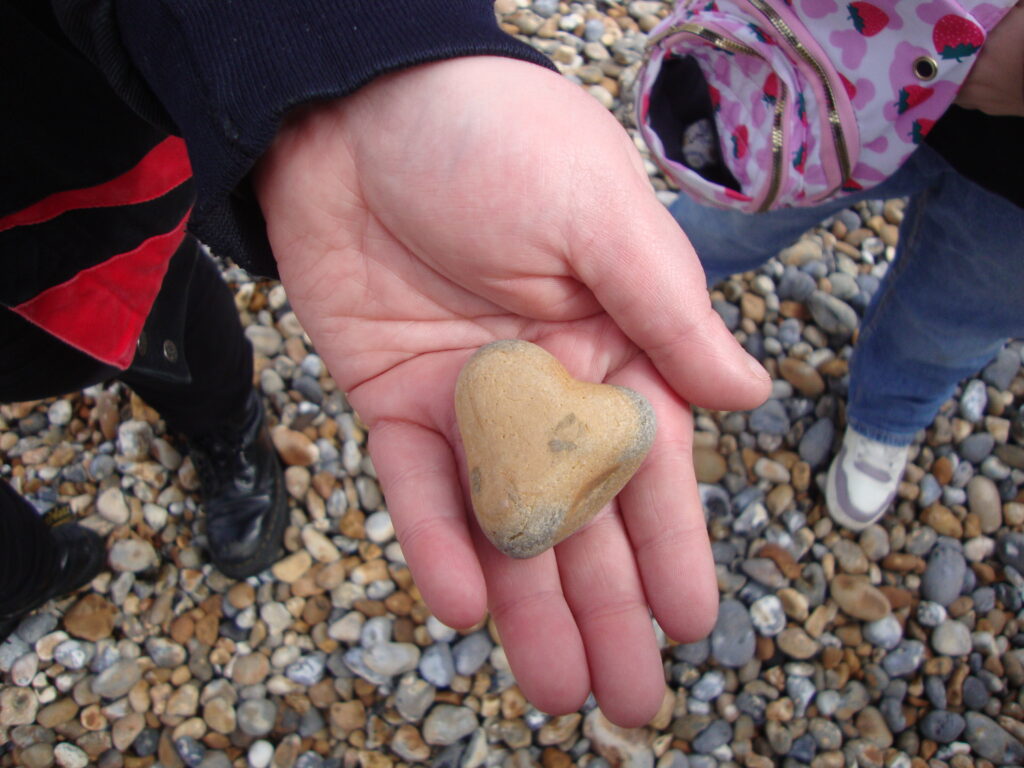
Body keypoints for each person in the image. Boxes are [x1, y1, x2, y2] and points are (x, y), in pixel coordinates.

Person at [2, 1, 771, 726]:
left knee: (171, 328)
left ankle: (228, 425)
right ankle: (29, 566)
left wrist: (368, 50)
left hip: (76, 184)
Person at [665, 2, 1024, 532]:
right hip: (844, 61)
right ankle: (653, 283)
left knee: (958, 313)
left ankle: (893, 405)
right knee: (732, 218)